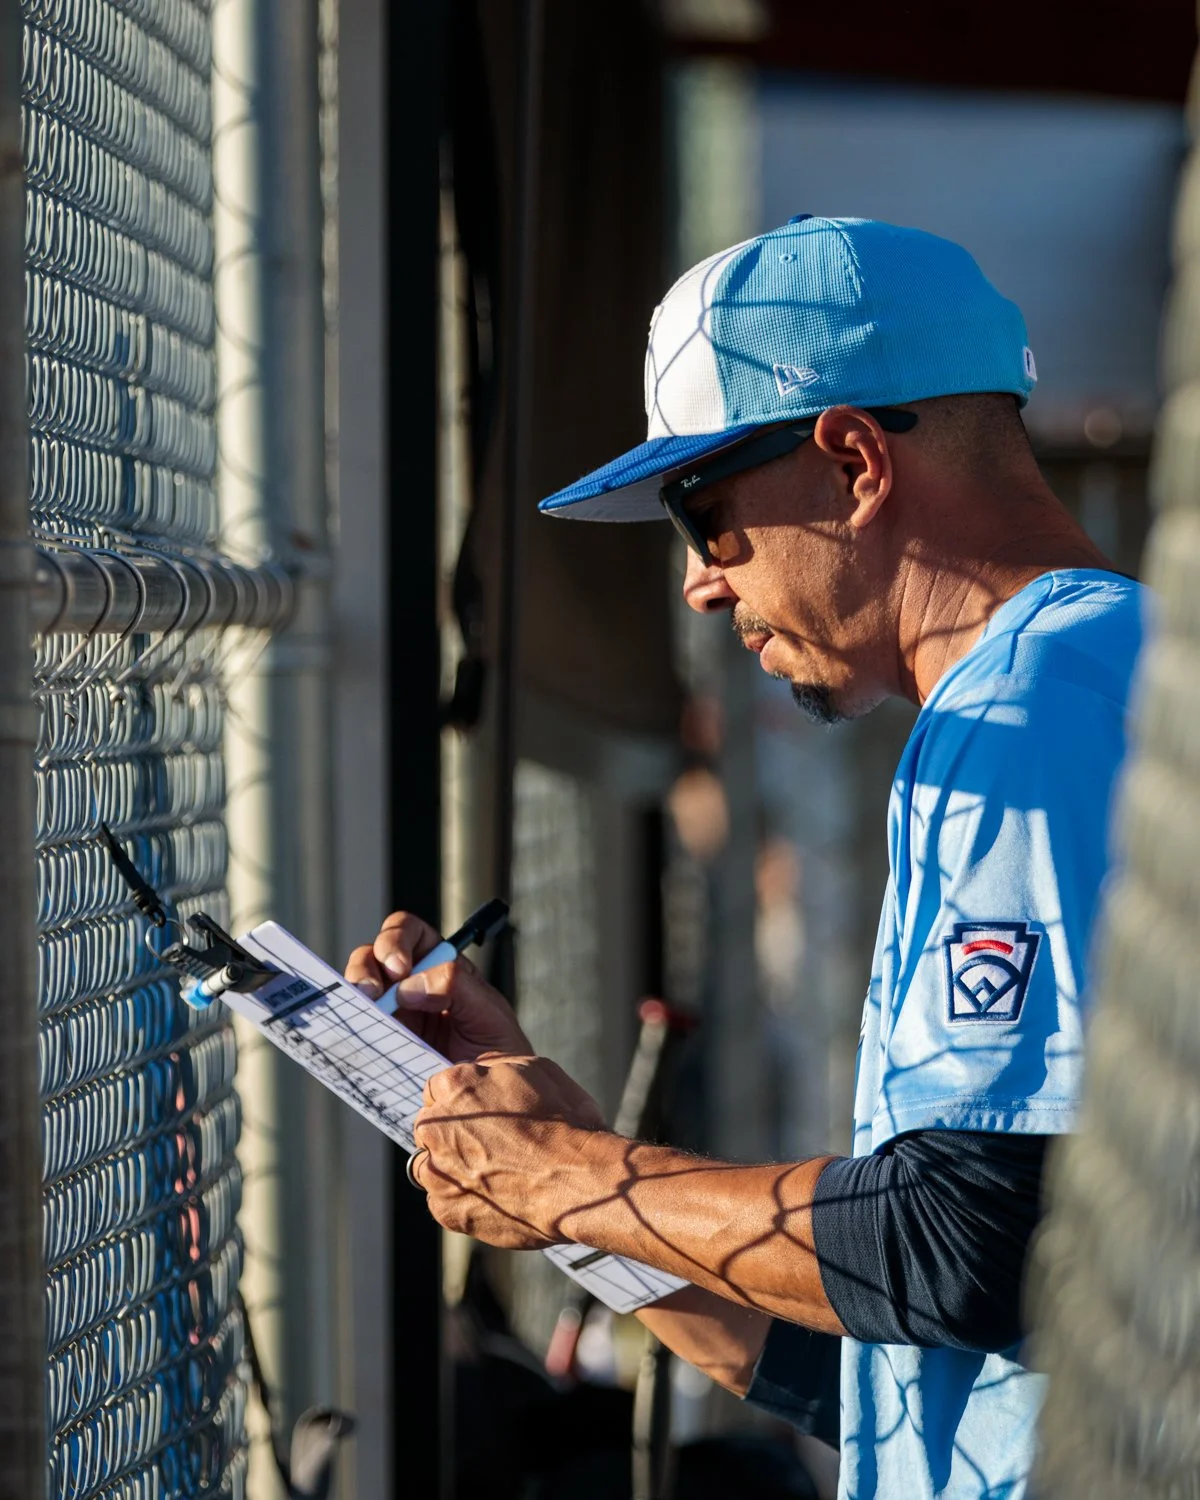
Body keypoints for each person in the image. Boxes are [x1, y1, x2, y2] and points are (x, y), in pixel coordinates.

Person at [346, 216, 1148, 1499]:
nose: (698, 584)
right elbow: (871, 1372)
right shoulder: (1062, 675)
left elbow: (973, 1247)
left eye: (703, 513)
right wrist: (560, 1162)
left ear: (854, 460)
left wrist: (575, 1178)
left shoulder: (1039, 697)